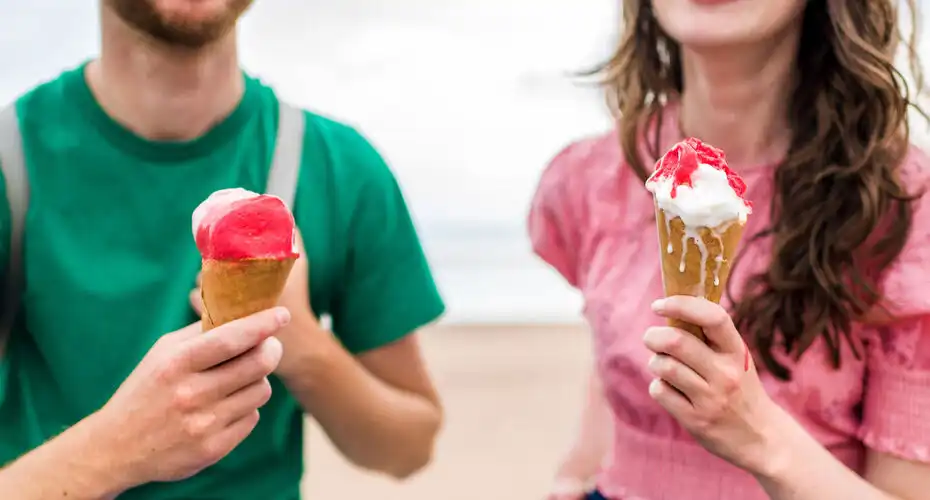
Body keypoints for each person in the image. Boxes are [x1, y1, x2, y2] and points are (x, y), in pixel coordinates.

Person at [0, 1, 445, 498]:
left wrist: (302, 345)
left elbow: (409, 448)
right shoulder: (9, 162)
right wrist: (119, 446)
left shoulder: (342, 168)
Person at [530, 1, 930, 499]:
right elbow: (616, 362)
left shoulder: (905, 207)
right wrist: (574, 473)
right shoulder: (593, 178)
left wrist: (758, 433)